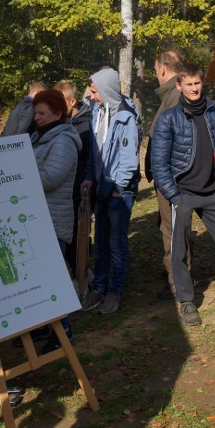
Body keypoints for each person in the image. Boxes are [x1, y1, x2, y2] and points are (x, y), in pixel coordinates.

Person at [151, 63, 215, 326]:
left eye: (197, 83)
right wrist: (174, 197)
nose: (194, 88)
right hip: (183, 193)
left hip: (213, 192)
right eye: (188, 84)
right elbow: (159, 163)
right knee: (178, 249)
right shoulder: (168, 118)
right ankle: (187, 302)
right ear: (179, 86)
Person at [80, 67, 141, 314]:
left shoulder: (126, 117)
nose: (92, 96)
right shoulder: (98, 111)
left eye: (95, 91)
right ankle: (99, 286)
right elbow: (95, 153)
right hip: (101, 188)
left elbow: (128, 161)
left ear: (106, 89)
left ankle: (114, 291)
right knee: (102, 241)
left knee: (116, 243)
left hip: (117, 192)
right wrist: (89, 178)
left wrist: (118, 188)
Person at [29, 89, 81, 352]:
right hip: (40, 218)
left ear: (58, 114)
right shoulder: (42, 137)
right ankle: (42, 327)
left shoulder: (63, 141)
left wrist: (18, 170)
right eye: (35, 112)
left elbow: (50, 178)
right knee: (40, 277)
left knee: (54, 279)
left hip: (53, 220)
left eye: (42, 113)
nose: (36, 117)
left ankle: (64, 330)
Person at [144, 50, 192, 299]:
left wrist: (169, 179)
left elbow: (179, 141)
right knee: (171, 227)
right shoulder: (172, 95)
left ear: (163, 69)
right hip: (168, 178)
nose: (155, 75)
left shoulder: (175, 95)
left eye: (154, 70)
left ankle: (179, 283)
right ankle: (176, 276)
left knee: (174, 229)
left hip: (171, 180)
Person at [54, 80, 95, 276]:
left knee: (78, 234)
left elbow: (88, 158)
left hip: (79, 188)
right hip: (65, 191)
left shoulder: (86, 125)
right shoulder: (64, 122)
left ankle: (82, 274)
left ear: (72, 102)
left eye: (60, 103)